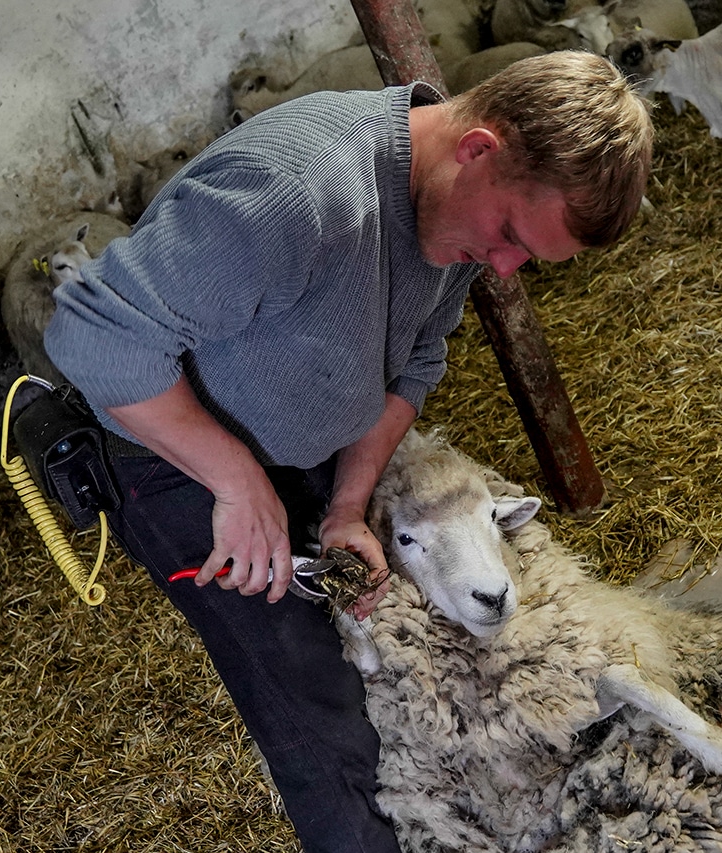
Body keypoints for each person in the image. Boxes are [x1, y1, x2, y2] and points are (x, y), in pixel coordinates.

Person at [44, 49, 653, 853]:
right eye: (509, 234)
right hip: (172, 461)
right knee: (324, 715)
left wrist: (345, 507)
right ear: (478, 148)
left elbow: (418, 358)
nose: (506, 267)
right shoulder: (300, 189)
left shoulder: (450, 218)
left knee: (399, 662)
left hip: (305, 453)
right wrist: (237, 482)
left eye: (527, 258)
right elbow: (92, 334)